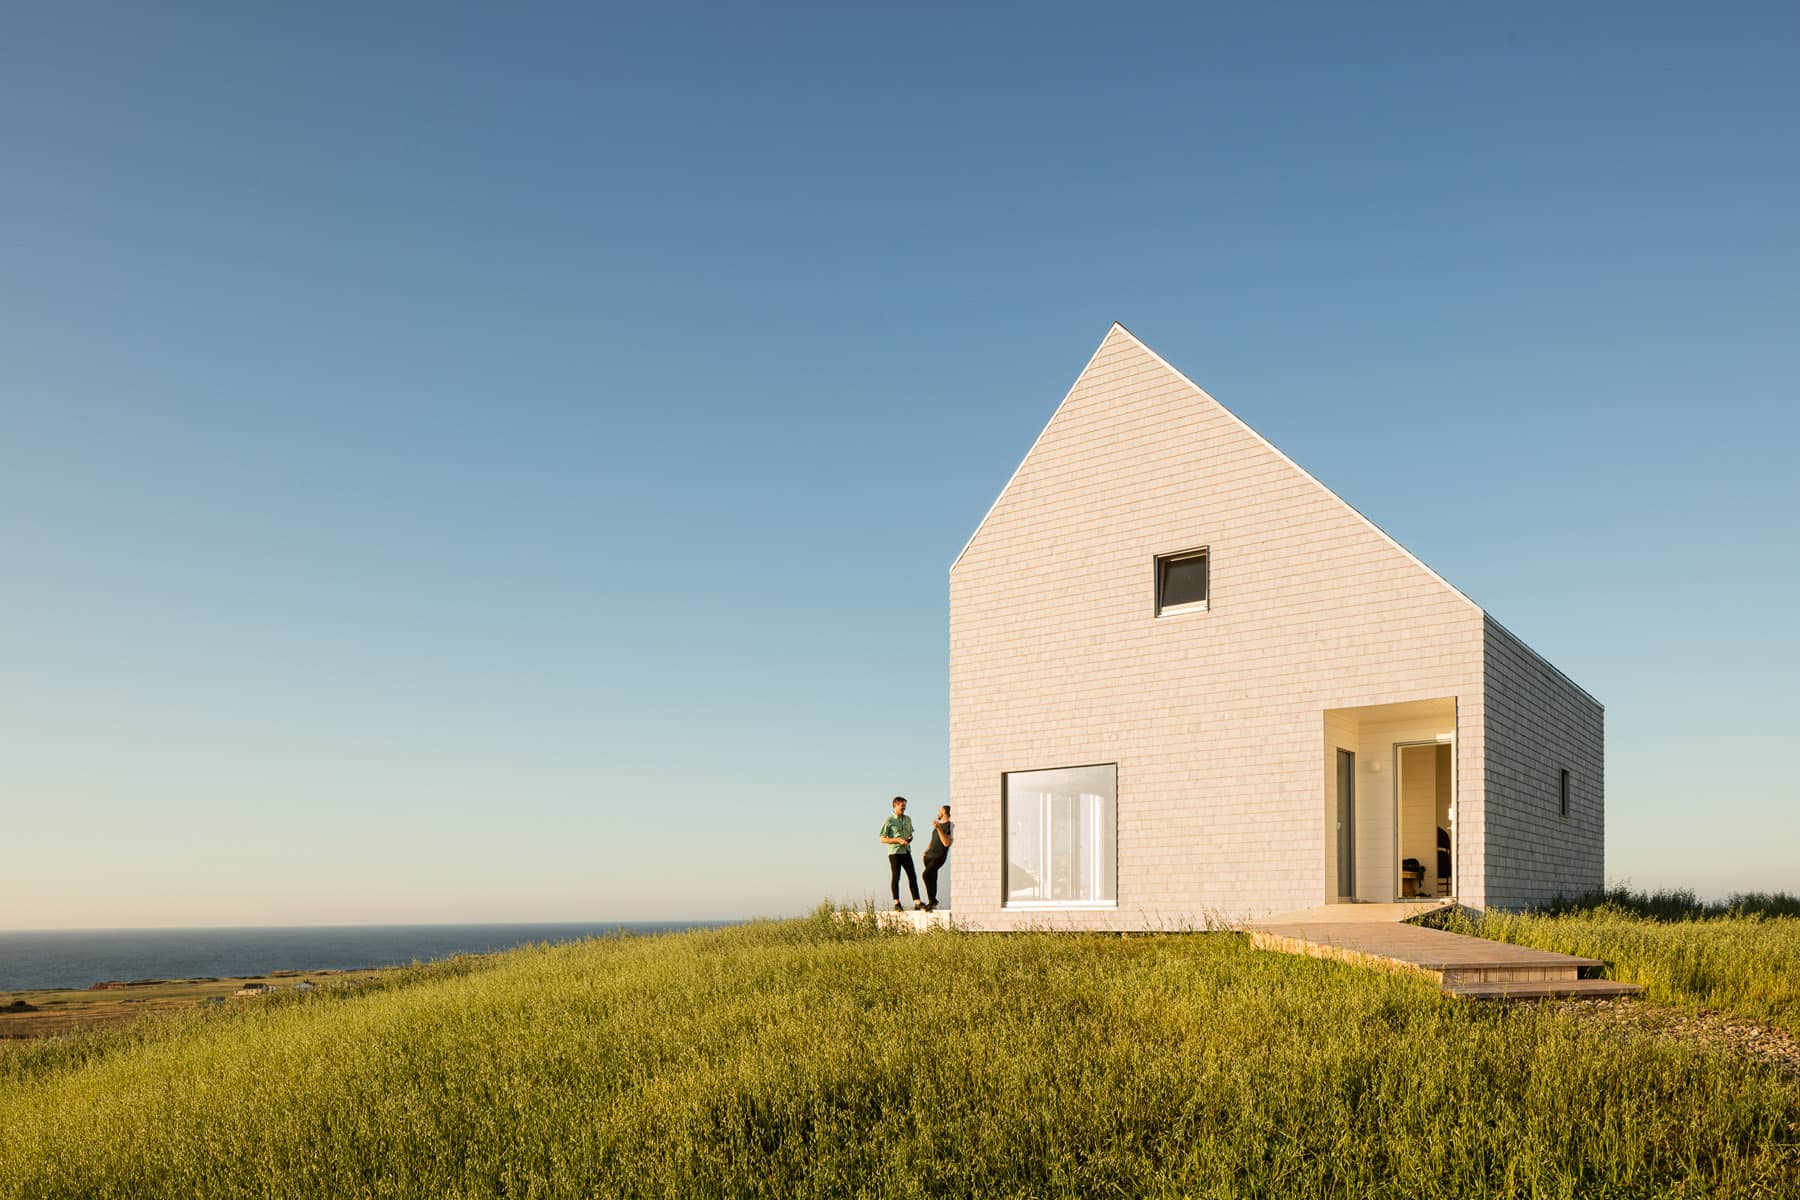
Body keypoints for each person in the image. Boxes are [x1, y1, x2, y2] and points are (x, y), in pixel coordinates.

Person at [878, 796, 924, 911]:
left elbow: (910, 835)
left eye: (905, 805)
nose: (904, 808)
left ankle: (917, 902)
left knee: (912, 876)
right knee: (896, 876)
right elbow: (882, 839)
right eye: (902, 805)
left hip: (906, 851)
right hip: (894, 852)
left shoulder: (908, 819)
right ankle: (897, 903)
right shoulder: (889, 820)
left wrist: (909, 839)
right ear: (895, 805)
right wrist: (897, 840)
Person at [921, 805, 953, 911]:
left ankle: (932, 900)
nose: (938, 813)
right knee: (932, 879)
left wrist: (938, 828)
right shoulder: (937, 826)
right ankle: (932, 902)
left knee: (925, 875)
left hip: (938, 856)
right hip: (929, 856)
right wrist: (926, 850)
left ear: (944, 811)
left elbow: (946, 843)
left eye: (939, 810)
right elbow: (934, 840)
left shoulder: (949, 826)